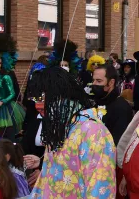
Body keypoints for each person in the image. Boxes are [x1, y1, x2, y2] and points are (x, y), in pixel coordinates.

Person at [25, 67, 116, 198]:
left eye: (42, 98)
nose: (38, 105)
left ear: (59, 95)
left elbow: (100, 187)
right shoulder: (58, 128)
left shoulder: (93, 132)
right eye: (35, 99)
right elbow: (48, 182)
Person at [91, 64, 133, 145]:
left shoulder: (121, 108)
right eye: (93, 80)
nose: (94, 84)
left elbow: (119, 141)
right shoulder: (95, 103)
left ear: (111, 82)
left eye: (99, 81)